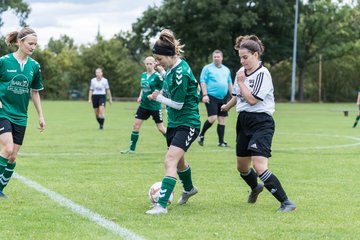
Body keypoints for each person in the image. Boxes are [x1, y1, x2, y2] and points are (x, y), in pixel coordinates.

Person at [220, 35, 296, 212]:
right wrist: (227, 106)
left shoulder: (263, 73)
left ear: (255, 55)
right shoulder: (241, 72)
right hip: (244, 121)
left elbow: (252, 100)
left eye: (245, 57)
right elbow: (238, 96)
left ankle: (286, 202)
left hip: (261, 122)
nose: (242, 60)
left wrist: (240, 82)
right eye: (240, 57)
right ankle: (256, 187)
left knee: (259, 165)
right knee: (242, 166)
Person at [145, 29, 201, 215]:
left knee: (170, 160)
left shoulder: (180, 73)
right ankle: (189, 189)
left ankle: (161, 205)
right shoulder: (171, 69)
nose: (158, 63)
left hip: (188, 122)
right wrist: (160, 94)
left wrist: (158, 98)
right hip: (175, 123)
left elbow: (178, 104)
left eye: (159, 59)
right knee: (179, 162)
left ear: (170, 55)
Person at [0, 27, 45, 198]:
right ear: (19, 42)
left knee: (12, 157)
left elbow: (35, 91)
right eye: (30, 43)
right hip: (3, 112)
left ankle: (0, 189)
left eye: (35, 44)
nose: (33, 47)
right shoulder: (4, 61)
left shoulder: (34, 66)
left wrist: (40, 115)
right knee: (7, 148)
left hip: (20, 115)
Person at [121, 56, 166, 154]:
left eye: (151, 63)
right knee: (135, 125)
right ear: (145, 64)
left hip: (155, 106)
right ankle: (131, 150)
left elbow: (164, 89)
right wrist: (140, 96)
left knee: (161, 128)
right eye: (147, 64)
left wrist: (155, 95)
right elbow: (143, 87)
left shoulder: (158, 76)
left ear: (154, 64)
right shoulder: (143, 75)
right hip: (144, 105)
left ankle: (173, 144)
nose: (149, 66)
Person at [198, 50, 233, 147]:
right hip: (211, 96)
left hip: (223, 98)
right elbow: (203, 81)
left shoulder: (226, 70)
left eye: (218, 57)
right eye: (215, 57)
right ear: (212, 58)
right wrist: (205, 95)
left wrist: (234, 96)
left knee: (222, 119)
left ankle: (221, 142)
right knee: (212, 118)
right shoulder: (207, 68)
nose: (216, 58)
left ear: (222, 58)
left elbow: (229, 83)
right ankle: (201, 135)